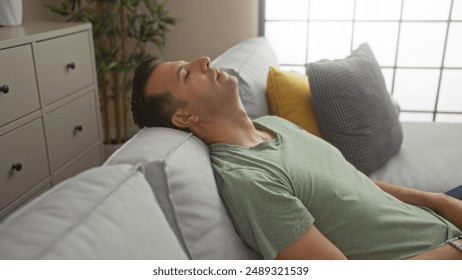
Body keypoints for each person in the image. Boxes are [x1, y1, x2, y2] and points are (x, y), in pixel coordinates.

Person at [131, 56, 462, 260]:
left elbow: (352, 183)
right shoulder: (249, 180)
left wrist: (438, 201)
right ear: (184, 118)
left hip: (440, 217)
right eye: (186, 75)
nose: (202, 60)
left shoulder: (274, 125)